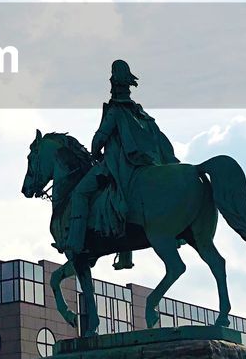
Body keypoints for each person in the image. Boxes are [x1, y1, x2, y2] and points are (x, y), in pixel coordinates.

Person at [67, 59, 179, 269]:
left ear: (113, 83)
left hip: (119, 165)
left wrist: (94, 149)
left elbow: (99, 140)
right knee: (125, 201)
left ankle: (75, 243)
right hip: (148, 165)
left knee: (79, 193)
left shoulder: (116, 111)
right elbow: (161, 142)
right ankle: (126, 257)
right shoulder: (143, 114)